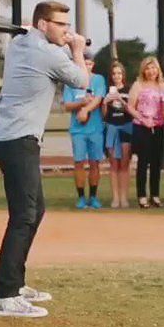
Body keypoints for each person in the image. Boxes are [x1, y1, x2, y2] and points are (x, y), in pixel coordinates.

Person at [0, 0, 89, 318]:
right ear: (43, 25)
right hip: (19, 141)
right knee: (23, 216)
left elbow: (33, 35)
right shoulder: (46, 53)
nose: (66, 30)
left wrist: (56, 37)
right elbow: (82, 81)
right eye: (60, 25)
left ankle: (15, 284)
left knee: (35, 210)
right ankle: (6, 296)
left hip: (9, 139)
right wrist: (77, 48)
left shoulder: (20, 42)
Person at [62, 54, 106, 210]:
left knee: (95, 163)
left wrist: (86, 110)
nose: (86, 66)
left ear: (92, 65)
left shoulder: (98, 80)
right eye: (83, 63)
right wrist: (80, 103)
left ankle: (93, 197)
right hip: (78, 130)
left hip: (95, 129)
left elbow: (98, 99)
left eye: (89, 63)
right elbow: (66, 105)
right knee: (79, 162)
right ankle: (81, 197)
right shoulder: (71, 83)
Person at [130, 56, 164, 208]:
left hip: (158, 127)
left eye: (154, 68)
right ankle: (141, 195)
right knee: (143, 162)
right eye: (148, 68)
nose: (151, 71)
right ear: (143, 70)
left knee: (156, 162)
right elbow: (130, 106)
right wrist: (142, 118)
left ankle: (155, 194)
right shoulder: (138, 85)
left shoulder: (162, 86)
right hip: (142, 127)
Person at [101, 61, 134, 208]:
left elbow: (131, 110)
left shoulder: (129, 89)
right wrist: (105, 103)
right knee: (114, 164)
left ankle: (124, 197)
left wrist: (121, 100)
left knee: (124, 165)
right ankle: (115, 197)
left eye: (119, 73)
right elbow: (104, 115)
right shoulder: (107, 90)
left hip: (126, 128)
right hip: (111, 128)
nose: (117, 76)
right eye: (114, 73)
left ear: (123, 75)